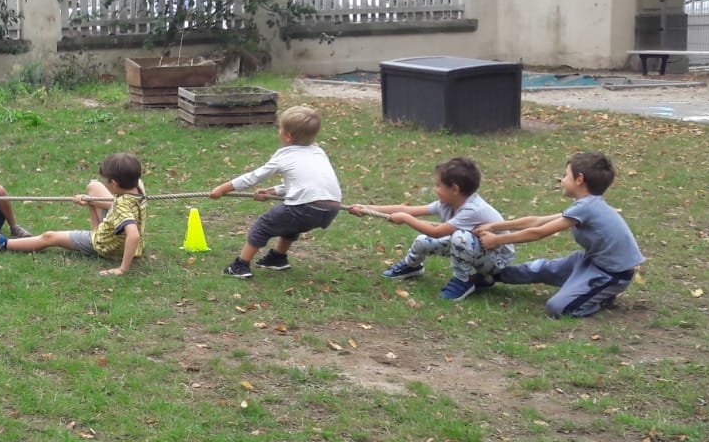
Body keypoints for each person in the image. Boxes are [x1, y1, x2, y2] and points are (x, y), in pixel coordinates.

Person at [474, 150, 644, 319]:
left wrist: (497, 240)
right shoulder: (586, 205)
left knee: (557, 308)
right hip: (589, 261)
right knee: (540, 268)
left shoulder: (587, 207)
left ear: (579, 179)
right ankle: (490, 277)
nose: (562, 181)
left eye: (566, 175)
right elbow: (537, 221)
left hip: (611, 274)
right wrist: (493, 226)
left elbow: (538, 232)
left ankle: (600, 297)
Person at [349, 156, 515, 302]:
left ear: (455, 189)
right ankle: (412, 266)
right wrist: (365, 208)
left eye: (438, 185)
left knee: (461, 237)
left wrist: (406, 219)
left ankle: (463, 281)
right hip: (475, 250)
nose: (435, 189)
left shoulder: (472, 209)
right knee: (423, 241)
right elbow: (408, 209)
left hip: (495, 261)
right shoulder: (447, 203)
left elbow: (436, 232)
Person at [210, 104, 341, 277]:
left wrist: (222, 188)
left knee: (263, 225)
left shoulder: (284, 155)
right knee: (291, 225)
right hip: (330, 208)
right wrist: (274, 191)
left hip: (305, 205)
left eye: (280, 128)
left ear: (287, 136)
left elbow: (253, 177)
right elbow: (307, 184)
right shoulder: (318, 152)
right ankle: (277, 258)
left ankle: (240, 266)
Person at [0, 152, 144, 277]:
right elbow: (119, 206)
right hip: (118, 234)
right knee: (93, 186)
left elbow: (133, 235)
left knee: (49, 236)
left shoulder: (122, 207)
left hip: (106, 245)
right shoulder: (138, 187)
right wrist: (90, 201)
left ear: (115, 183)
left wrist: (122, 269)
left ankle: (3, 243)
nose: (105, 184)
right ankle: (93, 202)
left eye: (107, 181)